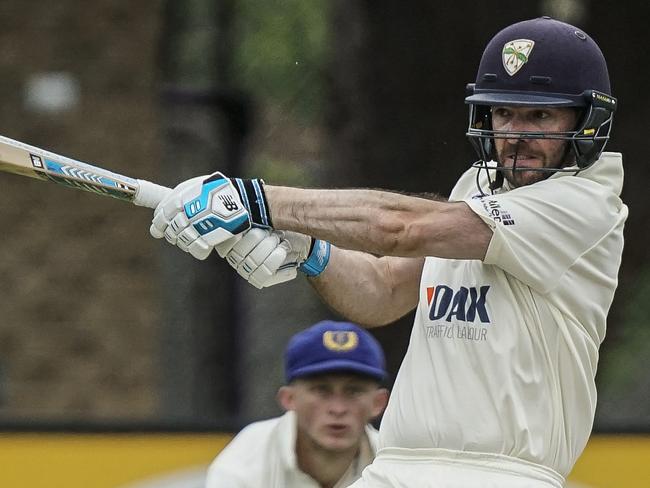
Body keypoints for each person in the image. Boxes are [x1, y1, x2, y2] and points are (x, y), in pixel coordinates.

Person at [151, 17, 627, 488]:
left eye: (540, 116)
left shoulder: (586, 205)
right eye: (503, 113)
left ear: (587, 121)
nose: (516, 135)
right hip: (394, 468)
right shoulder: (478, 192)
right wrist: (311, 252)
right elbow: (382, 290)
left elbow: (399, 228)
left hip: (502, 473)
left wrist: (257, 200)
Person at [204, 320, 389, 488]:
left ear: (378, 403)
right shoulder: (244, 461)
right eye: (321, 390)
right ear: (289, 399)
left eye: (354, 391)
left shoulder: (395, 460)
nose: (338, 409)